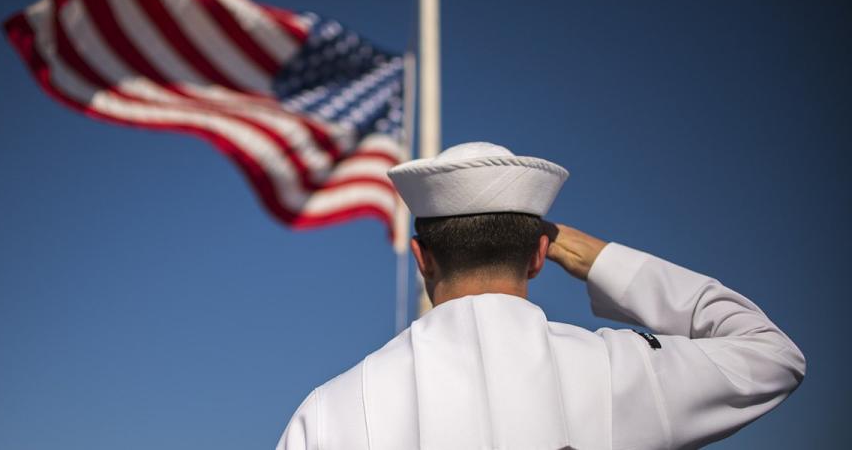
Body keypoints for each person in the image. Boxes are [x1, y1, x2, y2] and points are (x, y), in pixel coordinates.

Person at [277, 142, 805, 450]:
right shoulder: (619, 371)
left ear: (422, 258)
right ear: (537, 255)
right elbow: (771, 354)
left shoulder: (329, 412)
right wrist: (587, 253)